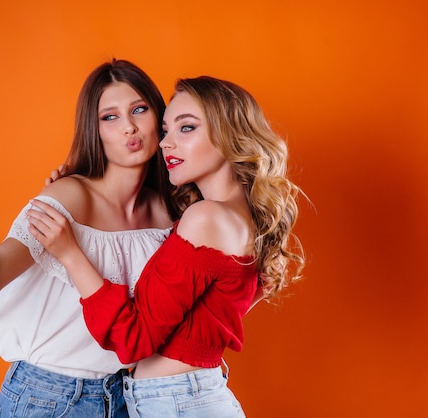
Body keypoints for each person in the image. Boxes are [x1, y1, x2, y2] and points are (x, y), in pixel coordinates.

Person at [0, 59, 180, 417]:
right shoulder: (68, 196)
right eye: (110, 117)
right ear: (94, 131)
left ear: (159, 118)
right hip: (50, 397)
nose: (129, 127)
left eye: (139, 109)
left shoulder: (170, 214)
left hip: (129, 396)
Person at [26, 76, 305, 417]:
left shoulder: (205, 218)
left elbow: (133, 340)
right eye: (165, 130)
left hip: (181, 404)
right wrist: (83, 194)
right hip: (192, 397)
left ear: (229, 134)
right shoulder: (240, 217)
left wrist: (70, 253)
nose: (165, 144)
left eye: (186, 128)